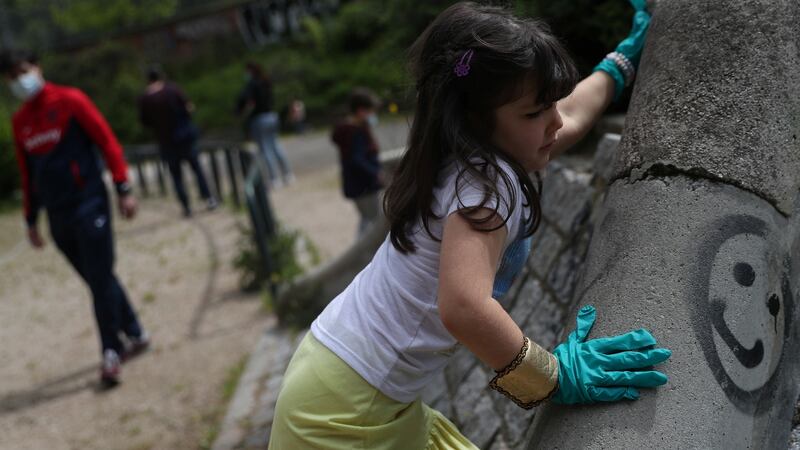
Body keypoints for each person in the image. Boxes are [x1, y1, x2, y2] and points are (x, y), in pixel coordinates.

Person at [269, 1, 669, 449]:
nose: (555, 120)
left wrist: (622, 61)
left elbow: (569, 117)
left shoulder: (468, 156)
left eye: (551, 102)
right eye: (535, 113)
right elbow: (463, 308)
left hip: (343, 381)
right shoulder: (485, 186)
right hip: (346, 412)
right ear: (477, 120)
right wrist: (556, 376)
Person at [0, 49, 150, 388]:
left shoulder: (71, 100)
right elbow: (28, 174)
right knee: (98, 278)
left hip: (90, 203)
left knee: (99, 278)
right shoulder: (20, 122)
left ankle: (111, 352)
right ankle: (137, 332)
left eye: (22, 71)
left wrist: (123, 187)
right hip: (58, 215)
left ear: (37, 67)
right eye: (10, 77)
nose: (18, 80)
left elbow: (107, 142)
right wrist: (29, 219)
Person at [138, 68, 217, 217]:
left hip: (165, 141)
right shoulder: (172, 90)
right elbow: (188, 107)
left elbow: (144, 122)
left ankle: (186, 207)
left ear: (148, 79)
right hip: (184, 137)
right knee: (197, 169)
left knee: (176, 176)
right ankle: (209, 198)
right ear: (161, 77)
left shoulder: (144, 98)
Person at [331, 88, 384, 236]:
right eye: (371, 111)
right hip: (364, 185)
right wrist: (376, 173)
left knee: (366, 219)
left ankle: (362, 252)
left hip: (356, 185)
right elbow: (357, 159)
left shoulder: (350, 130)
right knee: (374, 223)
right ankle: (363, 254)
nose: (373, 115)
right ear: (361, 111)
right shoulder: (356, 133)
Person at [235, 61, 294, 188]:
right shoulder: (266, 82)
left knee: (265, 149)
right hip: (272, 116)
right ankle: (288, 174)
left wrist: (243, 116)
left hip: (260, 119)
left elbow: (250, 104)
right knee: (276, 146)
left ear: (250, 71)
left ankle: (274, 179)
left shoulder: (252, 84)